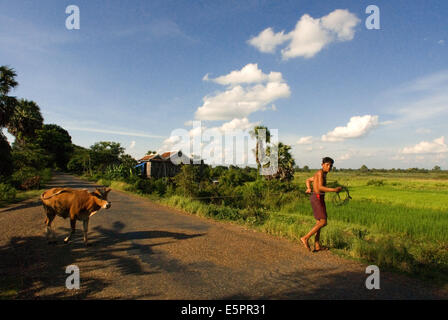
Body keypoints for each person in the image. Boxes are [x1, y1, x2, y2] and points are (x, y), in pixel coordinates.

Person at [300, 157, 342, 252]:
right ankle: (305, 238)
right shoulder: (320, 173)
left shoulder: (322, 174)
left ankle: (317, 245)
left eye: (331, 166)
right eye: (327, 165)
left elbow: (308, 180)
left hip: (319, 198)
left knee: (319, 222)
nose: (329, 167)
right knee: (323, 222)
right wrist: (334, 190)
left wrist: (309, 188)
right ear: (322, 165)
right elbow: (320, 187)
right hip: (317, 198)